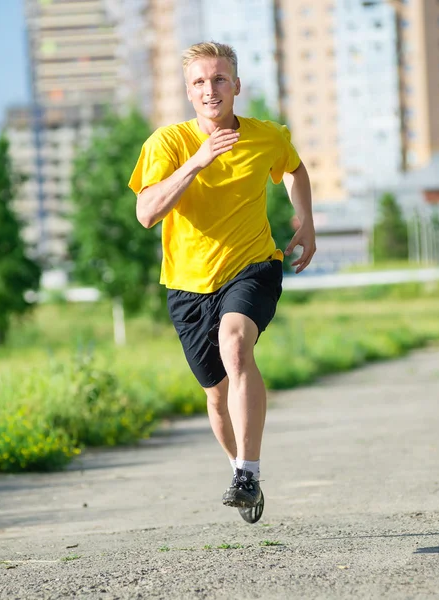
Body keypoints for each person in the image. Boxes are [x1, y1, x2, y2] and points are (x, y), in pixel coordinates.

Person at [128, 41, 316, 519]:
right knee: (215, 394)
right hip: (188, 284)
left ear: (236, 85)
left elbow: (293, 168)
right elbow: (146, 213)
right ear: (188, 91)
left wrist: (305, 220)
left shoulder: (266, 136)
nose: (210, 89)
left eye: (218, 79)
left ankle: (248, 471)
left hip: (253, 266)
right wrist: (197, 161)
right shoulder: (167, 144)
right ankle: (239, 468)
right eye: (199, 82)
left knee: (236, 346)